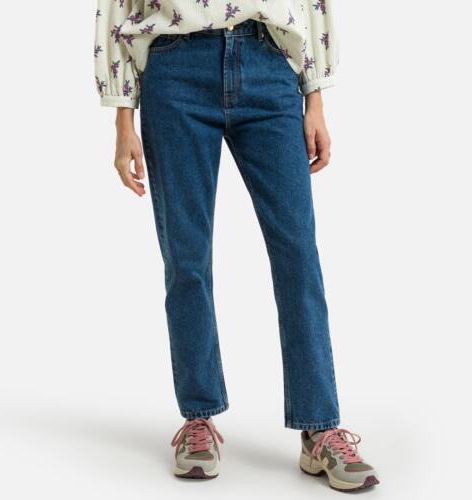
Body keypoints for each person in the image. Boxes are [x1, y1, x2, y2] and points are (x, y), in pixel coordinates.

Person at [94, 1, 379, 491]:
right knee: (186, 257)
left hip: (269, 64)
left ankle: (320, 427)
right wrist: (123, 118)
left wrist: (315, 97)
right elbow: (117, 5)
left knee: (298, 253)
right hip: (175, 69)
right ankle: (198, 416)